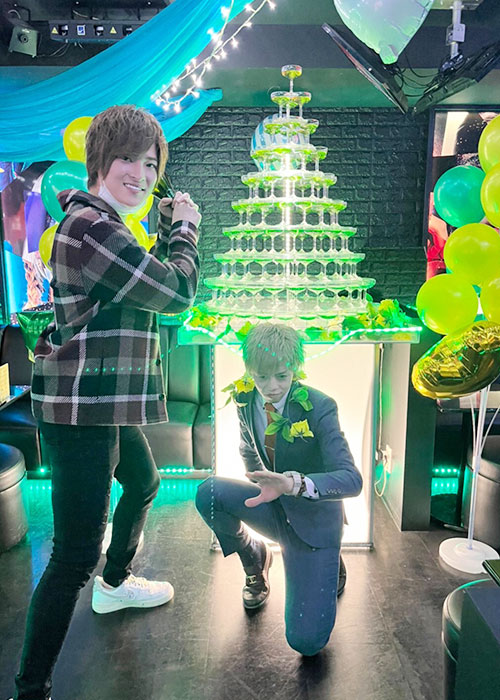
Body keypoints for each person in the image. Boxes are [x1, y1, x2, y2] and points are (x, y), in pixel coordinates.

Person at [12, 104, 201, 700]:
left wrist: (164, 232)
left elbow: (135, 291)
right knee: (73, 555)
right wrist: (185, 229)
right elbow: (175, 291)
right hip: (81, 408)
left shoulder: (103, 223)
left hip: (100, 400)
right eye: (128, 160)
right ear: (99, 161)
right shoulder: (93, 227)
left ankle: (115, 583)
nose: (141, 175)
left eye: (150, 164)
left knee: (143, 480)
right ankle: (30, 688)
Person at [195, 323, 362, 656]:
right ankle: (254, 558)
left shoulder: (320, 406)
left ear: (296, 368)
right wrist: (261, 482)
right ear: (249, 370)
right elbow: (247, 446)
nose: (271, 387)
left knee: (306, 643)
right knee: (208, 493)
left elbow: (351, 479)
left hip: (312, 524)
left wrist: (293, 484)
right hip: (273, 507)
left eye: (282, 377)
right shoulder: (244, 398)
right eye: (261, 377)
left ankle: (328, 560)